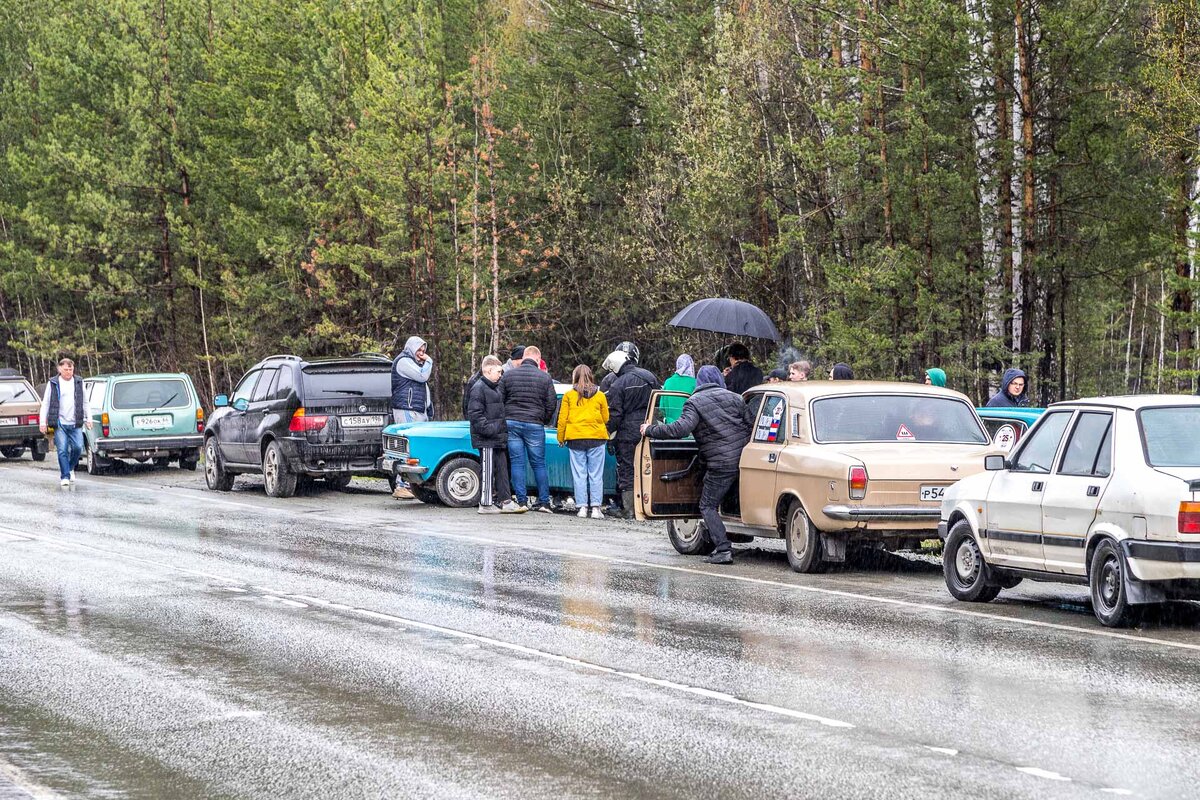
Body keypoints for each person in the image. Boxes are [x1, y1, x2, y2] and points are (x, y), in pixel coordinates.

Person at [640, 365, 753, 565]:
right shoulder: (736, 398)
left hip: (720, 463)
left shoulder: (694, 402)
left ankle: (723, 549)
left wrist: (651, 429)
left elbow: (681, 429)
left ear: (699, 382)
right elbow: (750, 425)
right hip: (745, 460)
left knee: (707, 505)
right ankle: (739, 533)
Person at [499, 345, 558, 512]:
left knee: (517, 463)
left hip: (512, 422)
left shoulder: (508, 375)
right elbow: (551, 403)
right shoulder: (545, 377)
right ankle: (544, 502)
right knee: (538, 463)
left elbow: (500, 399)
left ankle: (522, 501)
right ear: (538, 360)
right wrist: (542, 419)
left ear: (524, 357)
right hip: (534, 424)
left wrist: (506, 417)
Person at [606, 342, 660, 518]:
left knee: (627, 469)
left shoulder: (617, 384)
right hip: (649, 429)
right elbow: (658, 401)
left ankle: (629, 509)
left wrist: (609, 435)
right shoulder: (649, 377)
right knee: (648, 467)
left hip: (627, 433)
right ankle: (649, 507)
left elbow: (615, 414)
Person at [467, 355, 526, 515]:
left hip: (498, 436)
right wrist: (491, 429)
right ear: (488, 370)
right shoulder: (478, 388)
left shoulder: (495, 387)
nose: (501, 374)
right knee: (487, 470)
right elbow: (475, 414)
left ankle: (506, 500)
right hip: (487, 438)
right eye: (499, 371)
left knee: (502, 469)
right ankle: (485, 503)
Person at [556, 365, 610, 519]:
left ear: (575, 377)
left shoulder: (569, 396)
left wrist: (561, 438)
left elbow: (562, 419)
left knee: (579, 474)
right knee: (595, 475)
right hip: (597, 438)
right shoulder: (600, 396)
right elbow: (606, 418)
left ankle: (582, 507)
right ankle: (595, 508)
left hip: (576, 439)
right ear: (590, 376)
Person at [391, 336, 434, 499]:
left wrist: (428, 408)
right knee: (407, 446)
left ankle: (412, 484)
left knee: (415, 447)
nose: (422, 354)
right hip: (407, 409)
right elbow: (422, 377)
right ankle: (401, 485)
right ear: (411, 348)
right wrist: (429, 361)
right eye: (419, 350)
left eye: (424, 351)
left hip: (417, 410)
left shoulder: (415, 364)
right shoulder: (403, 362)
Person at [38, 357, 93, 486]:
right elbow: (45, 403)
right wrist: (42, 422)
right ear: (59, 369)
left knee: (78, 448)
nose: (69, 372)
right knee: (62, 449)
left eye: (71, 369)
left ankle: (70, 467)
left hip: (75, 423)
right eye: (66, 369)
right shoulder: (53, 383)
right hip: (60, 423)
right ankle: (65, 476)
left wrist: (89, 418)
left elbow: (85, 402)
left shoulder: (79, 382)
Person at [659, 354, 696, 424]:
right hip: (689, 429)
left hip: (670, 427)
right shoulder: (695, 383)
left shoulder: (668, 382)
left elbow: (661, 408)